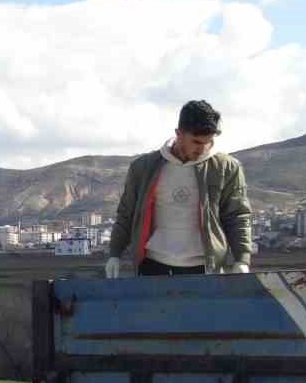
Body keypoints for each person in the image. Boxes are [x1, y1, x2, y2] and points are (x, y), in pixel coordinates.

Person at [105, 100, 253, 278]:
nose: (203, 148)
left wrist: (242, 259)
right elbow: (126, 213)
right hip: (153, 266)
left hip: (205, 268)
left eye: (209, 142)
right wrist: (115, 254)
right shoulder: (144, 168)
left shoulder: (227, 168)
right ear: (178, 134)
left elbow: (237, 215)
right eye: (196, 142)